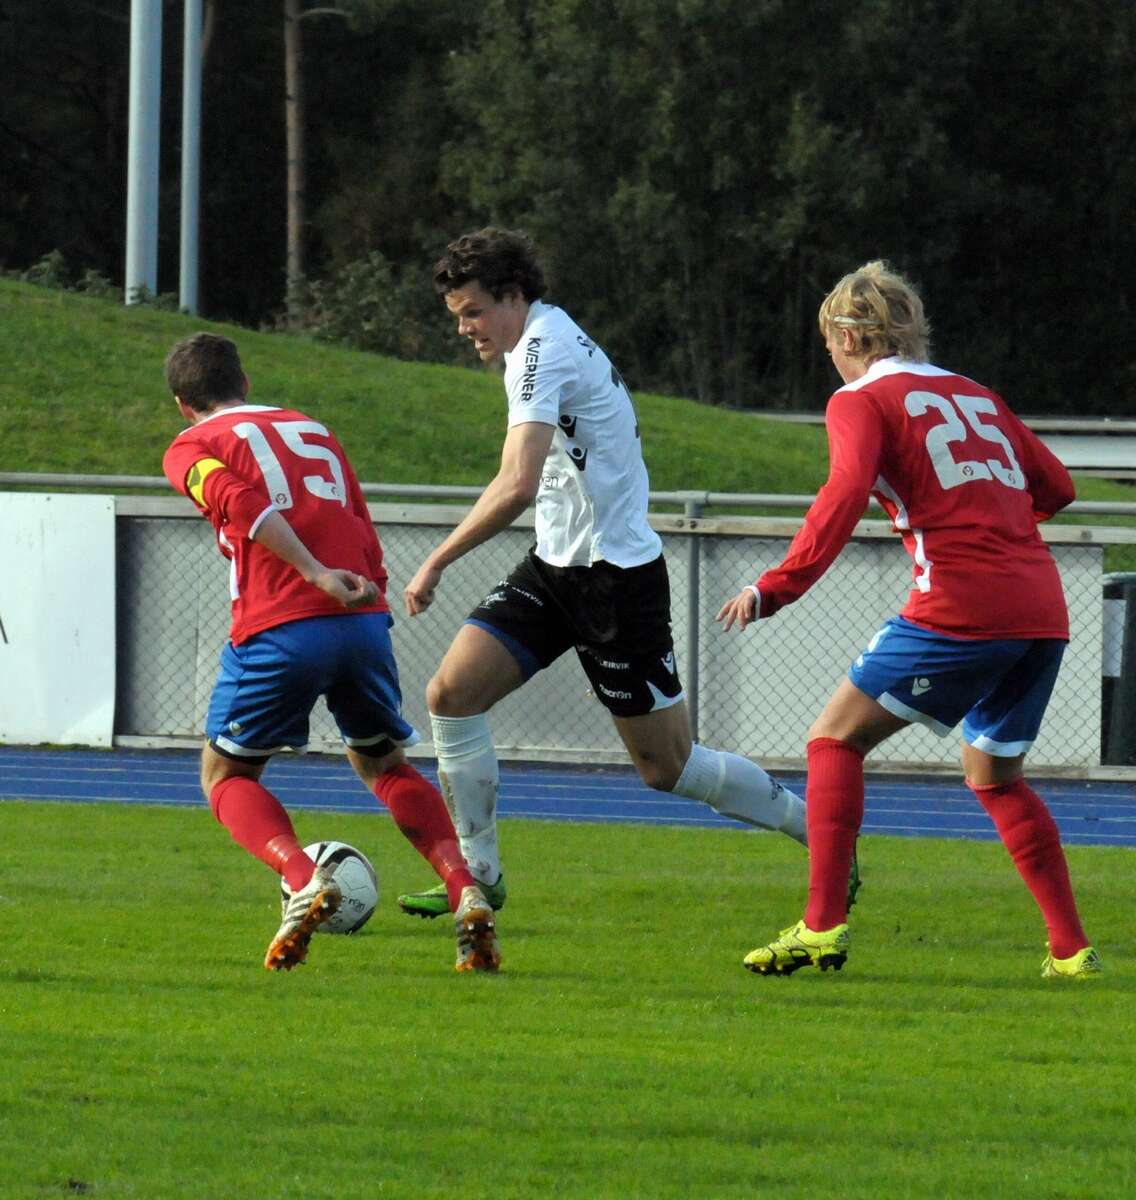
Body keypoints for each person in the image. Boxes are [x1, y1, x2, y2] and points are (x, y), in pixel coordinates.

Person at [396, 227, 846, 920]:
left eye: (474, 311)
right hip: (554, 569)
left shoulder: (540, 352)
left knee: (669, 767)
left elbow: (516, 483)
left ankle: (820, 835)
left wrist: (436, 558)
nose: (464, 328)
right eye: (458, 315)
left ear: (513, 296)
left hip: (614, 581)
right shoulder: (538, 340)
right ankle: (478, 876)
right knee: (450, 694)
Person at [717, 261, 1100, 981]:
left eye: (828, 344)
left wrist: (776, 587)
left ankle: (821, 927)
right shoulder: (975, 392)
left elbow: (843, 493)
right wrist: (991, 520)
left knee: (834, 738)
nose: (830, 359)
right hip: (1041, 609)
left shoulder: (859, 399)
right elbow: (1058, 487)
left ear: (848, 336)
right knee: (995, 776)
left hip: (961, 603)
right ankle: (1071, 951)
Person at [161, 332, 499, 973]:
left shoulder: (191, 446)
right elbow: (359, 520)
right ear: (245, 382)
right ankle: (465, 888)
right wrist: (369, 598)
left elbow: (240, 502)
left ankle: (303, 878)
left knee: (226, 777)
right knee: (384, 764)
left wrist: (312, 572)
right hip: (362, 619)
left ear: (183, 403)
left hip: (281, 622)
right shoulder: (312, 429)